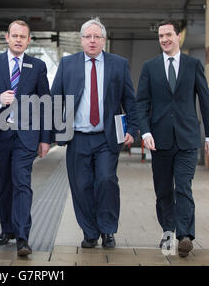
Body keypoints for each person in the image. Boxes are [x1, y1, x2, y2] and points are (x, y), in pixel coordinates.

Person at [51, 18, 138, 249]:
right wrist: (52, 133)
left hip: (106, 138)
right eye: (87, 36)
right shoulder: (67, 64)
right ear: (81, 40)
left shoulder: (118, 64)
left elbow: (130, 99)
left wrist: (132, 129)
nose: (92, 41)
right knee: (81, 186)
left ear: (103, 40)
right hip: (77, 138)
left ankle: (108, 230)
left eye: (96, 37)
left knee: (106, 181)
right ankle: (90, 232)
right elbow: (54, 99)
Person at [136, 19, 209, 258]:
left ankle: (184, 236)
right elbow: (142, 103)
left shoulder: (193, 65)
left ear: (178, 36)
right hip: (159, 140)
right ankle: (168, 230)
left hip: (187, 139)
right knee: (163, 191)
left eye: (168, 35)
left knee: (183, 187)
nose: (164, 40)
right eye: (161, 36)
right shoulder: (150, 67)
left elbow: (205, 100)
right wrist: (146, 131)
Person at [0, 20, 51, 257]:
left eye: (23, 36)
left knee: (22, 184)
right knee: (4, 186)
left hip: (26, 137)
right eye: (15, 35)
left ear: (29, 40)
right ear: (6, 37)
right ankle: (6, 230)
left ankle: (22, 238)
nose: (18, 40)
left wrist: (45, 139)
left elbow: (45, 103)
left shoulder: (37, 66)